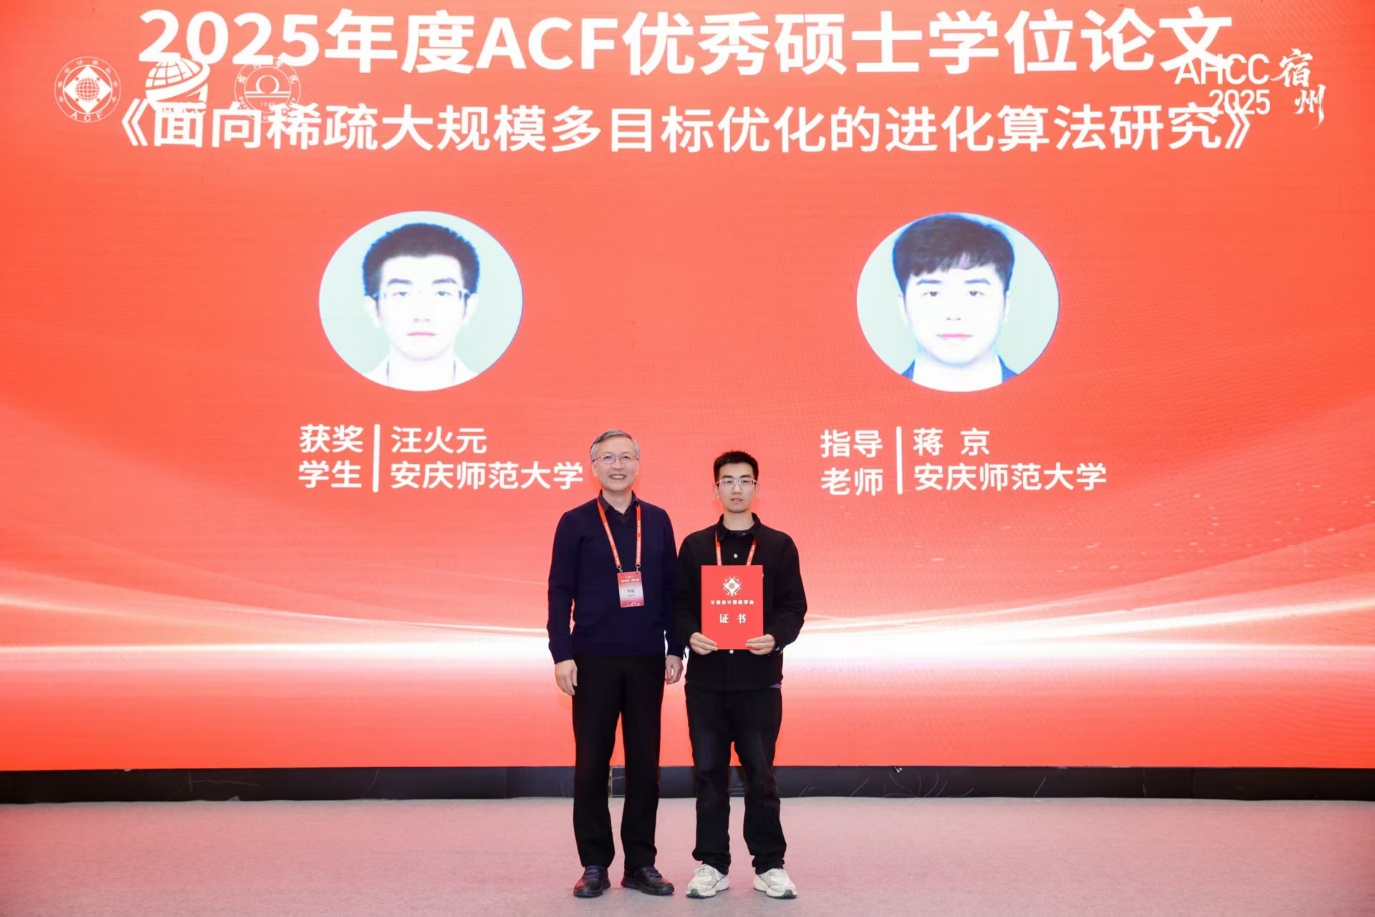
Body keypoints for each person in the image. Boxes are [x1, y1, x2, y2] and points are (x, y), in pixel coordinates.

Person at [547, 429, 684, 898]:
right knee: (591, 764)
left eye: (626, 457)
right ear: (594, 467)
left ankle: (641, 864)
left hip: (646, 657)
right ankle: (594, 864)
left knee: (645, 764)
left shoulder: (658, 520)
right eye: (608, 458)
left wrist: (676, 647)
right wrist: (561, 653)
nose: (618, 465)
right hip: (592, 659)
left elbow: (673, 590)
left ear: (638, 464)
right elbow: (559, 591)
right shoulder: (575, 522)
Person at [674, 451, 807, 900]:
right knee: (708, 776)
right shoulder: (695, 546)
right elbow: (680, 604)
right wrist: (690, 633)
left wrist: (776, 636)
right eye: (727, 480)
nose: (736, 488)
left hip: (759, 683)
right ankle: (712, 864)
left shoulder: (779, 546)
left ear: (756, 487)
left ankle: (769, 865)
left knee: (761, 777)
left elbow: (794, 606)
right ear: (715, 489)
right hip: (707, 685)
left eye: (745, 480)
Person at [893, 214, 1018, 392]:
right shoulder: (872, 401)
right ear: (903, 307)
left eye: (974, 293)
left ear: (1006, 305)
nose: (954, 314)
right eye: (933, 293)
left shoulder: (1047, 400)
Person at [361, 222, 481, 391]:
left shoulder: (496, 397)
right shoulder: (344, 397)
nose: (421, 316)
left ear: (468, 307)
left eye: (442, 293)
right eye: (402, 294)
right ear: (373, 309)